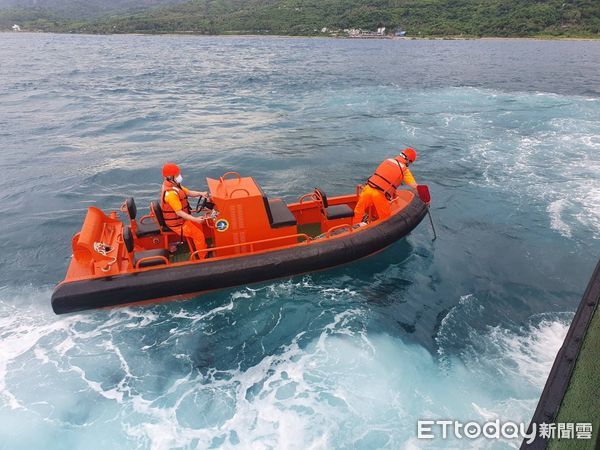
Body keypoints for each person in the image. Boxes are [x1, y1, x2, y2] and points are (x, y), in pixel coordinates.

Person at [353, 148, 418, 223]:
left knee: (358, 211)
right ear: (408, 160)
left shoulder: (387, 161)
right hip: (379, 195)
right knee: (385, 219)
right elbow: (414, 186)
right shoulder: (405, 170)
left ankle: (355, 226)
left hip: (367, 189)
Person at [160, 163, 209, 256]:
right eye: (177, 175)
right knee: (199, 235)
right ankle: (203, 257)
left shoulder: (175, 186)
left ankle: (201, 248)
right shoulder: (171, 194)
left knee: (199, 227)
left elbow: (189, 192)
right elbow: (178, 212)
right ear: (171, 177)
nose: (179, 176)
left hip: (182, 220)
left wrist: (201, 193)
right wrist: (195, 219)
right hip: (177, 224)